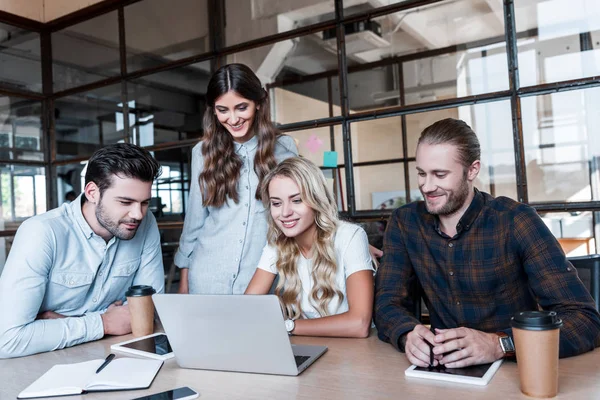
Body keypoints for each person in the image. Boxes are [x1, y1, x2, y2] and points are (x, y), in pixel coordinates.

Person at [374, 118, 600, 369]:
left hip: (514, 371)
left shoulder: (516, 221)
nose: (427, 186)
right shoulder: (406, 222)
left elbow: (585, 320)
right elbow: (387, 303)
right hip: (443, 373)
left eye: (440, 174)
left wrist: (499, 344)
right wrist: (407, 334)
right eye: (421, 173)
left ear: (472, 170)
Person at [0, 143, 164, 358]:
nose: (138, 214)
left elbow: (149, 311)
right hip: (41, 363)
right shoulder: (42, 232)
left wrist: (66, 324)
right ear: (92, 192)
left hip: (113, 353)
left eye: (144, 203)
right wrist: (103, 323)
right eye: (126, 202)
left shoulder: (145, 222)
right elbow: (8, 339)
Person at [175, 63, 298, 294]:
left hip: (262, 280)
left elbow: (307, 203)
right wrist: (184, 284)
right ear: (213, 110)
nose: (233, 119)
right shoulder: (202, 153)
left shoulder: (284, 148)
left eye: (242, 107)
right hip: (207, 279)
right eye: (222, 110)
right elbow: (194, 222)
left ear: (259, 103)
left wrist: (344, 242)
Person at [245, 157, 374, 338]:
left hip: (356, 352)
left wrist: (288, 326)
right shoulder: (276, 243)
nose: (285, 213)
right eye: (276, 203)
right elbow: (246, 308)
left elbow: (359, 324)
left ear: (316, 200)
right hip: (309, 346)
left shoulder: (350, 236)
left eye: (296, 200)